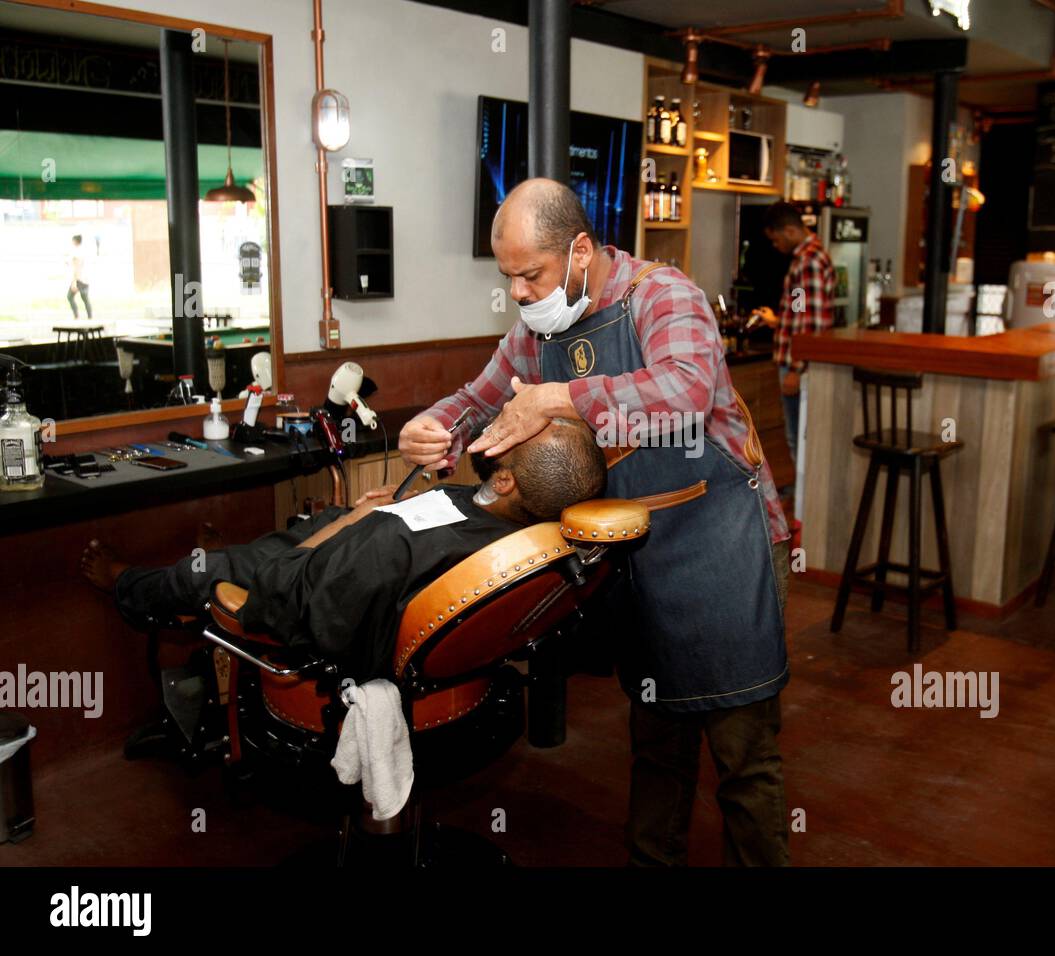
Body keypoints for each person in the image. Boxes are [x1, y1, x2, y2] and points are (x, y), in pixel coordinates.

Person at [398, 178, 792, 867]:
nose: (518, 293)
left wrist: (561, 398)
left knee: (744, 761)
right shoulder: (537, 333)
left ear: (580, 250)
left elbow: (687, 393)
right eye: (508, 278)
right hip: (639, 557)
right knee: (657, 747)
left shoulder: (661, 296)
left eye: (531, 275)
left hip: (720, 546)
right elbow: (479, 399)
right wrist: (436, 429)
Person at [80, 417, 606, 680]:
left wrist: (356, 521)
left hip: (313, 584)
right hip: (365, 554)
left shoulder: (392, 543)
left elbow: (286, 591)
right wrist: (367, 519)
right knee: (299, 529)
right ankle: (254, 547)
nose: (502, 423)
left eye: (515, 433)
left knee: (210, 571)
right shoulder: (514, 526)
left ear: (509, 481)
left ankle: (127, 583)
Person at [753, 202, 836, 475]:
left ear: (789, 230)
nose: (775, 246)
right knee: (801, 435)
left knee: (799, 437)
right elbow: (804, 313)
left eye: (776, 239)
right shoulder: (812, 256)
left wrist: (797, 369)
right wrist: (777, 321)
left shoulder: (808, 261)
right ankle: (802, 503)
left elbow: (810, 323)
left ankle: (803, 510)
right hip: (800, 359)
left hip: (799, 364)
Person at [67, 234, 92, 320]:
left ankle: (76, 316)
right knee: (84, 297)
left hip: (79, 279)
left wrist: (74, 282)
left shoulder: (75, 253)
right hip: (86, 278)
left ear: (75, 241)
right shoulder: (84, 251)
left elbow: (76, 268)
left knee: (70, 296)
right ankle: (90, 317)